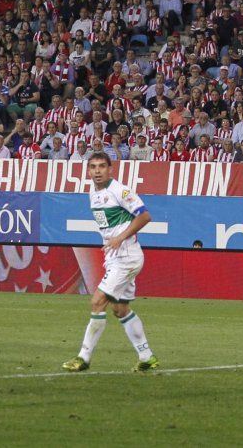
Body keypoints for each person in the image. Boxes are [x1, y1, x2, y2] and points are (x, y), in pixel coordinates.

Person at [62, 153, 159, 372]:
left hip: (126, 256)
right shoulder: (92, 192)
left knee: (97, 301)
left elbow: (144, 216)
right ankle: (146, 356)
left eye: (102, 167)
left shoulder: (120, 191)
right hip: (115, 256)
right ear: (88, 171)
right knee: (120, 308)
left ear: (110, 169)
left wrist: (119, 237)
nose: (97, 171)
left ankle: (83, 357)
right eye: (93, 167)